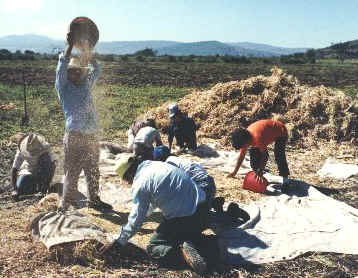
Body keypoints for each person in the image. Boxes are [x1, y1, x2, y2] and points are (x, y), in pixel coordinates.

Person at [103, 155, 212, 274]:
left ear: (129, 175)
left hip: (188, 218)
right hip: (204, 210)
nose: (129, 182)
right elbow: (150, 206)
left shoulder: (140, 183)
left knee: (154, 247)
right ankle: (209, 244)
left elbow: (136, 220)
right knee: (176, 230)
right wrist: (143, 214)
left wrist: (119, 241)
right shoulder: (156, 165)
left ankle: (182, 254)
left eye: (127, 180)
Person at [55, 31, 112, 211]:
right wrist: (70, 46)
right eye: (73, 71)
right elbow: (61, 67)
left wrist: (88, 52)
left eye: (79, 71)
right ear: (69, 73)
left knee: (93, 169)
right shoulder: (63, 88)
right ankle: (67, 203)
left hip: (91, 135)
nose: (77, 74)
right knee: (72, 171)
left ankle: (94, 200)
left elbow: (97, 69)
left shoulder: (86, 85)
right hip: (75, 135)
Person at [153, 145, 249, 220]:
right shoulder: (176, 159)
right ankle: (212, 203)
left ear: (159, 159)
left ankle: (231, 214)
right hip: (207, 184)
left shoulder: (169, 164)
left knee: (196, 218)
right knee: (195, 207)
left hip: (203, 186)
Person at [227, 119, 291, 190]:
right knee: (254, 159)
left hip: (280, 131)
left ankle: (286, 181)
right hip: (266, 131)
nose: (244, 148)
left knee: (279, 154)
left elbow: (265, 155)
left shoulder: (258, 138)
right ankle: (259, 179)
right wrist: (234, 172)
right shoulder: (244, 138)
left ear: (247, 142)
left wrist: (260, 170)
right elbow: (242, 156)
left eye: (244, 146)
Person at [10, 133, 56, 200]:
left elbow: (53, 166)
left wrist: (45, 187)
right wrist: (14, 189)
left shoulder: (46, 148)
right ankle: (34, 187)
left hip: (43, 170)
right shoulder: (21, 150)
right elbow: (14, 169)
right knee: (20, 188)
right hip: (29, 169)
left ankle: (42, 188)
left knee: (46, 160)